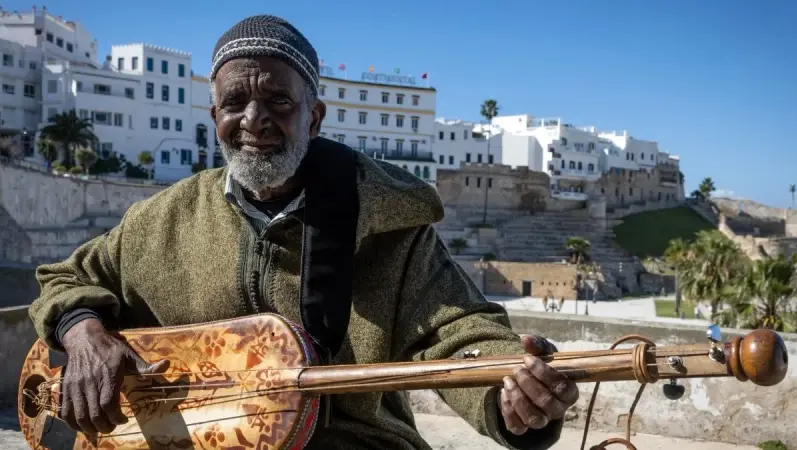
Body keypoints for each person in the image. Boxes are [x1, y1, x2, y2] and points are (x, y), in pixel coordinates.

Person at [28, 14, 578, 450]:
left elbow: (461, 332)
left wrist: (512, 395)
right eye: (236, 102)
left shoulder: (385, 221)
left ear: (313, 118)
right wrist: (84, 336)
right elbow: (66, 277)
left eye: (278, 101)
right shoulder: (158, 222)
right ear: (213, 112)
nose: (254, 119)